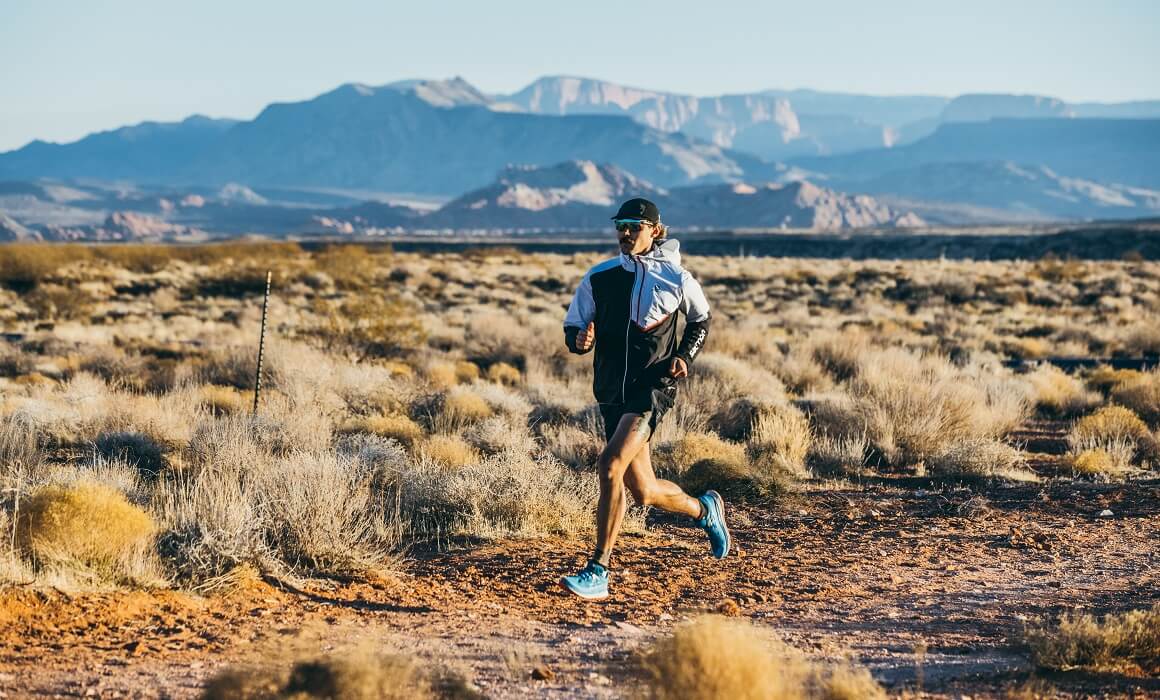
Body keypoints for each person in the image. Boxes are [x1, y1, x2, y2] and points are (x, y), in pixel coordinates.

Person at [559, 197, 729, 601]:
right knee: (645, 491)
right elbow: (574, 326)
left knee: (610, 464)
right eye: (620, 225)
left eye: (634, 226)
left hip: (651, 390)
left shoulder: (677, 277)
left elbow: (701, 320)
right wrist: (579, 340)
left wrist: (684, 357)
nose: (625, 233)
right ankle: (705, 510)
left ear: (654, 230)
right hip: (610, 391)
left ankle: (598, 569)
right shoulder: (598, 278)